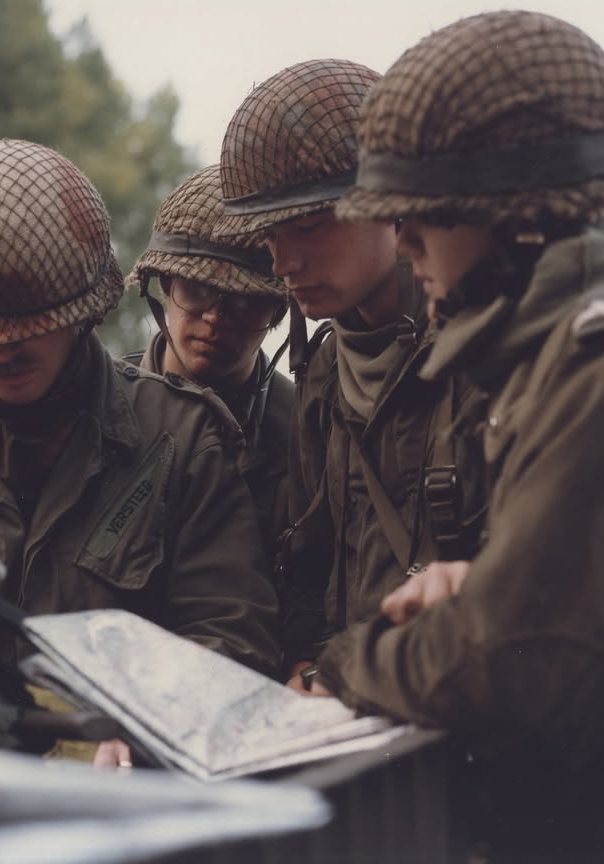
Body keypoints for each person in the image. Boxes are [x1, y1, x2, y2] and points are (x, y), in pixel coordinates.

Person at [311, 11, 604, 860]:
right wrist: (488, 587)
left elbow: (512, 670)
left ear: (521, 218)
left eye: (429, 214)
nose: (405, 241)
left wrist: (352, 663)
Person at [0, 139, 280, 678]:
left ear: (82, 315)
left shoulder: (181, 440)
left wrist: (122, 709)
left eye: (32, 327)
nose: (5, 351)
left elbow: (232, 639)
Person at [213, 59, 486, 691]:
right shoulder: (323, 372)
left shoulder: (483, 355)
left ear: (393, 210)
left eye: (308, 227)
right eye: (270, 235)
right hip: (351, 703)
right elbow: (307, 564)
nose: (283, 261)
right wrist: (307, 668)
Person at [127, 164, 291, 558]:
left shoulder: (307, 428)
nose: (216, 318)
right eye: (198, 290)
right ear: (165, 284)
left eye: (245, 302)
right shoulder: (106, 408)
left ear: (276, 313)